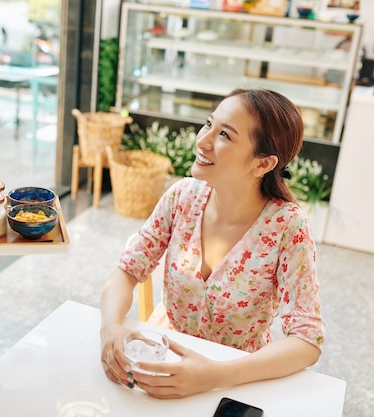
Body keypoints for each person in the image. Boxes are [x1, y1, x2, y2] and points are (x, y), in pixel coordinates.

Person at [100, 88, 325, 399]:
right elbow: (126, 270)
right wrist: (111, 327)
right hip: (165, 362)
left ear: (262, 164)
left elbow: (307, 341)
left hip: (240, 376)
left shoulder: (288, 226)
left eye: (225, 135)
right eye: (208, 124)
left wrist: (217, 376)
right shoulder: (182, 197)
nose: (202, 141)